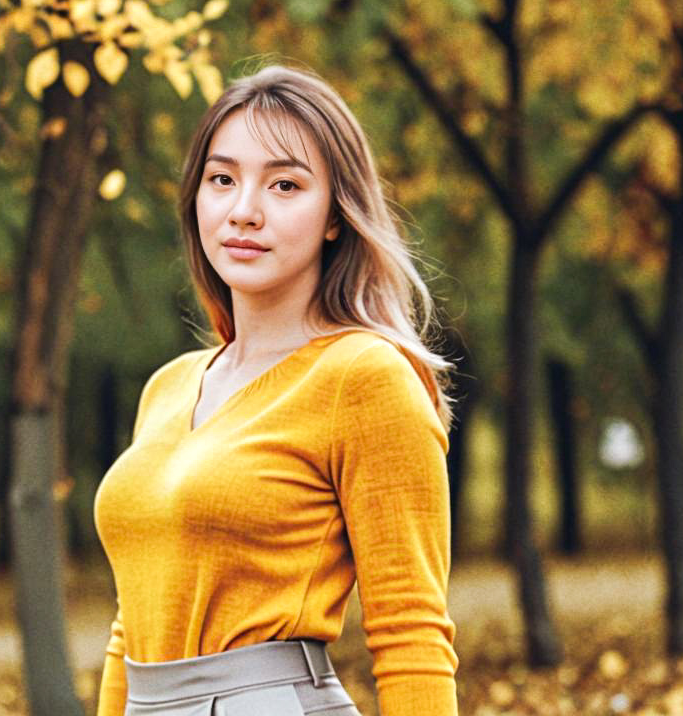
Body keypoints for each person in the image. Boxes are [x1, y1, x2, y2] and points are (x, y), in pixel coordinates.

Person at [93, 63, 459, 716]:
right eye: (222, 179)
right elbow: (132, 628)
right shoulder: (168, 389)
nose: (243, 211)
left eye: (284, 184)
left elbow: (411, 633)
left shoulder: (364, 378)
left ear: (335, 216)